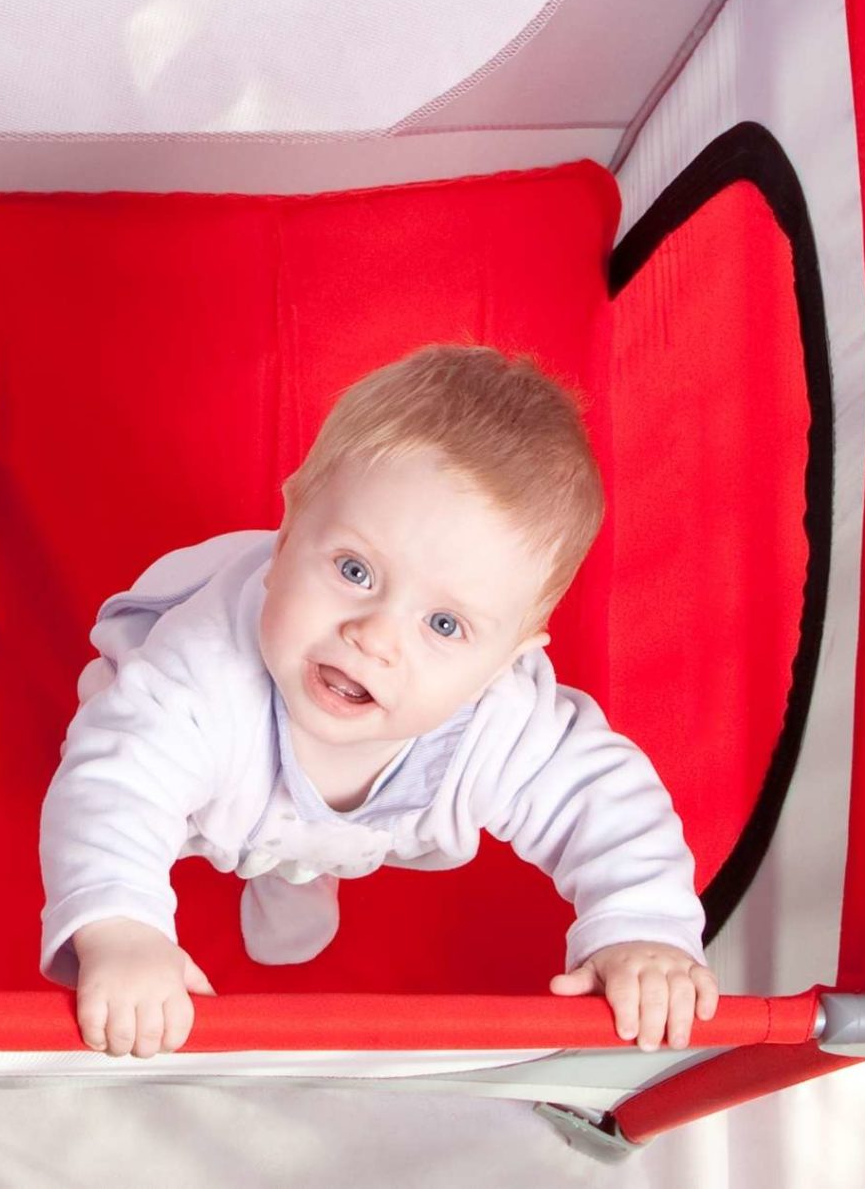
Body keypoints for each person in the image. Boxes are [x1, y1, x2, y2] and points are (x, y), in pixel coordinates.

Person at [38, 343, 718, 1059]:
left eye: (445, 625)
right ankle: (285, 861)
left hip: (356, 826)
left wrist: (640, 927)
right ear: (289, 532)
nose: (374, 637)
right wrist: (124, 928)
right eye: (355, 570)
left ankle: (303, 870)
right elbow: (117, 789)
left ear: (510, 658)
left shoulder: (498, 721)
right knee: (124, 787)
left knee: (308, 847)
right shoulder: (199, 673)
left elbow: (603, 800)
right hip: (215, 801)